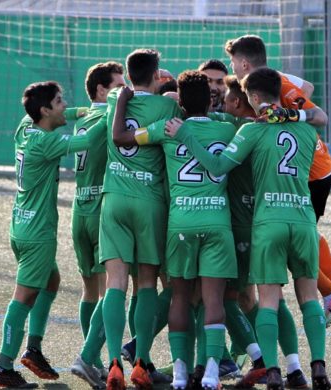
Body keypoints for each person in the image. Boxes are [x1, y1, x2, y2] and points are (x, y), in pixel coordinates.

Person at [166, 67, 331, 390]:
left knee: (268, 299)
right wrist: (293, 114)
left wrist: (186, 135)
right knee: (309, 297)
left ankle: (270, 370)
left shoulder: (251, 132)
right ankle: (318, 367)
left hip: (268, 222)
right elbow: (318, 118)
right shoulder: (307, 130)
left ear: (252, 98)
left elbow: (216, 167)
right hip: (303, 220)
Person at [112, 70, 238, 390]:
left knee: (179, 297)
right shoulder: (227, 128)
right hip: (217, 224)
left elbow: (123, 138)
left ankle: (180, 373)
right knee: (212, 299)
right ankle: (210, 371)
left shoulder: (165, 129)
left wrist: (124, 102)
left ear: (179, 103)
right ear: (211, 100)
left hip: (181, 223)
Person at [225, 34, 331, 329]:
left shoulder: (275, 84)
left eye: (234, 63)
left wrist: (286, 114)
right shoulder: (273, 80)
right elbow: (305, 87)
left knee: (293, 234)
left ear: (244, 63)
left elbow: (319, 115)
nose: (233, 69)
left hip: (313, 171)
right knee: (299, 231)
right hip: (303, 168)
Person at [0, 81, 105, 388]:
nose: (64, 105)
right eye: (58, 102)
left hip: (20, 225)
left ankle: (34, 349)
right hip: (37, 233)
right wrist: (113, 112)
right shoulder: (46, 142)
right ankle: (3, 366)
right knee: (24, 296)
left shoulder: (25, 128)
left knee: (51, 281)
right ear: (44, 110)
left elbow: (71, 114)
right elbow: (90, 140)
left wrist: (95, 108)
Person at [99, 48, 181, 390]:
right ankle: (142, 362)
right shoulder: (168, 106)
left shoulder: (115, 99)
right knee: (146, 283)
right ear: (156, 72)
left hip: (114, 198)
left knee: (115, 283)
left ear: (130, 74)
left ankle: (114, 360)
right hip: (150, 201)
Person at [70, 61, 126, 383]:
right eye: (118, 86)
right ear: (102, 90)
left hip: (80, 208)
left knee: (90, 289)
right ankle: (89, 356)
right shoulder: (108, 117)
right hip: (101, 210)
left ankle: (93, 358)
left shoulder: (83, 117)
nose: (124, 91)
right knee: (112, 290)